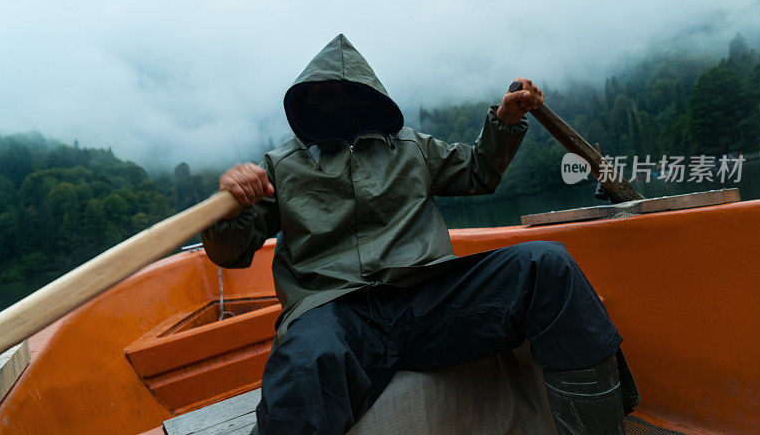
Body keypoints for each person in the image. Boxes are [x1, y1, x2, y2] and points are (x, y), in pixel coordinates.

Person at [202, 34, 638, 434]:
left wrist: (503, 122)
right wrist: (229, 205)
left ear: (368, 94)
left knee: (547, 264)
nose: (334, 103)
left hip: (426, 299)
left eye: (345, 92)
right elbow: (231, 252)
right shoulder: (280, 166)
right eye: (321, 95)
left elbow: (479, 172)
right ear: (304, 102)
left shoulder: (411, 147)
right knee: (301, 361)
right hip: (335, 313)